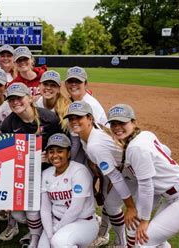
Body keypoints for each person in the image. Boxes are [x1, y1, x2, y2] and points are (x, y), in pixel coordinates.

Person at [107, 104, 179, 247]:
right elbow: (166, 152)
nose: (117, 127)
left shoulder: (136, 148)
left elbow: (146, 186)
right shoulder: (145, 135)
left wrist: (144, 219)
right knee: (155, 239)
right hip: (176, 194)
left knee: (143, 241)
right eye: (113, 123)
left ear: (133, 122)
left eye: (122, 122)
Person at [64, 100, 138, 247]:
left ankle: (124, 243)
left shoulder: (94, 144)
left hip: (136, 175)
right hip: (127, 172)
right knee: (111, 205)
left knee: (139, 220)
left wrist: (130, 206)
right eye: (71, 118)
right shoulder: (88, 135)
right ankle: (120, 242)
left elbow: (115, 177)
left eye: (79, 117)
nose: (74, 121)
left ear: (90, 119)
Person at [0, 83, 63, 248]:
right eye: (11, 100)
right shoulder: (8, 124)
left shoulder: (50, 118)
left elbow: (63, 146)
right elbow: (8, 158)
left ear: (30, 98)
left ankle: (36, 237)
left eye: (19, 98)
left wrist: (51, 156)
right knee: (19, 214)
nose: (15, 102)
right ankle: (36, 230)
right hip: (24, 174)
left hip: (49, 173)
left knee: (43, 209)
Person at [39, 133, 98, 247]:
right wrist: (50, 234)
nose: (55, 155)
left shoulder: (79, 171)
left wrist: (56, 232)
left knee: (59, 242)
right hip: (56, 221)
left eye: (60, 151)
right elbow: (45, 209)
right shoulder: (46, 174)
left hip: (83, 222)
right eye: (51, 151)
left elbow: (76, 209)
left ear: (69, 153)